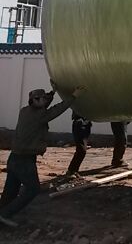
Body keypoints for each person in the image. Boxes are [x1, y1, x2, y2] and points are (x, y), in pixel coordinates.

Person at [0, 83, 84, 227]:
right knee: (33, 189)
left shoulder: (25, 111)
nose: (44, 100)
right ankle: (5, 214)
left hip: (14, 157)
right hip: (25, 159)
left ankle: (2, 213)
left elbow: (43, 106)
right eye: (41, 99)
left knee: (11, 191)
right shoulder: (40, 116)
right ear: (34, 101)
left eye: (45, 98)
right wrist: (73, 96)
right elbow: (56, 110)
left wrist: (53, 92)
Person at [65, 112, 92, 176]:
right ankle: (72, 171)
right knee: (81, 150)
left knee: (81, 151)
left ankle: (72, 170)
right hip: (80, 124)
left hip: (85, 123)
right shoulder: (79, 120)